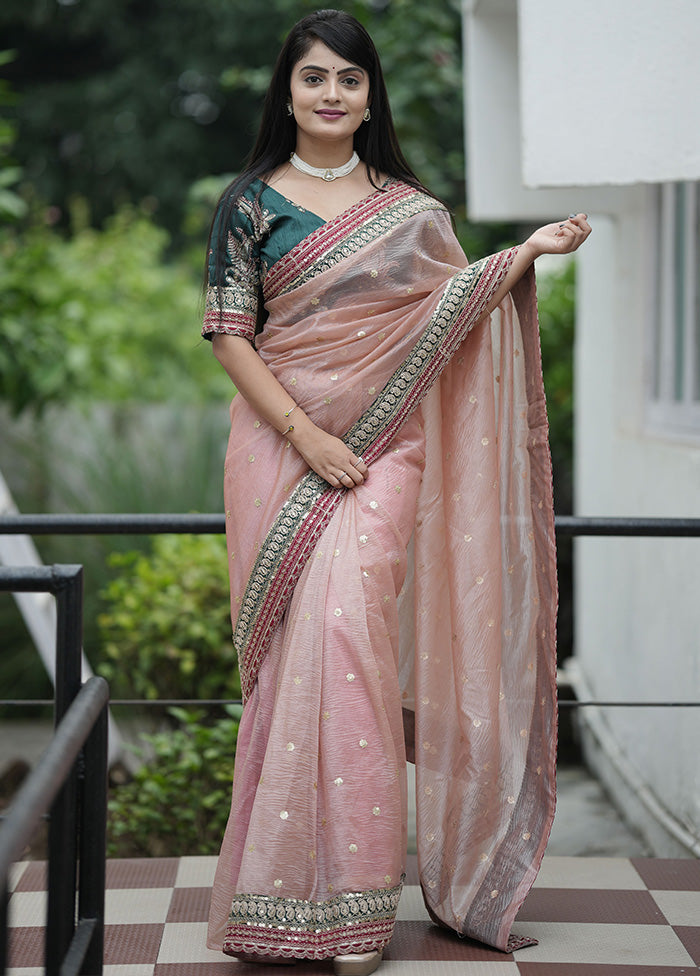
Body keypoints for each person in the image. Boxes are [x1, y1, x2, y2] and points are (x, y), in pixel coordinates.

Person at [202, 9, 590, 975]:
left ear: (372, 96)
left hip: (386, 453)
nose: (331, 95)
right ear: (285, 92)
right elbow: (230, 335)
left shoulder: (413, 213)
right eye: (314, 79)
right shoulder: (249, 205)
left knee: (349, 633)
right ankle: (284, 899)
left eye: (350, 80)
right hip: (281, 448)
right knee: (301, 649)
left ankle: (358, 908)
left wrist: (523, 255)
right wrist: (308, 435)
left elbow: (450, 313)